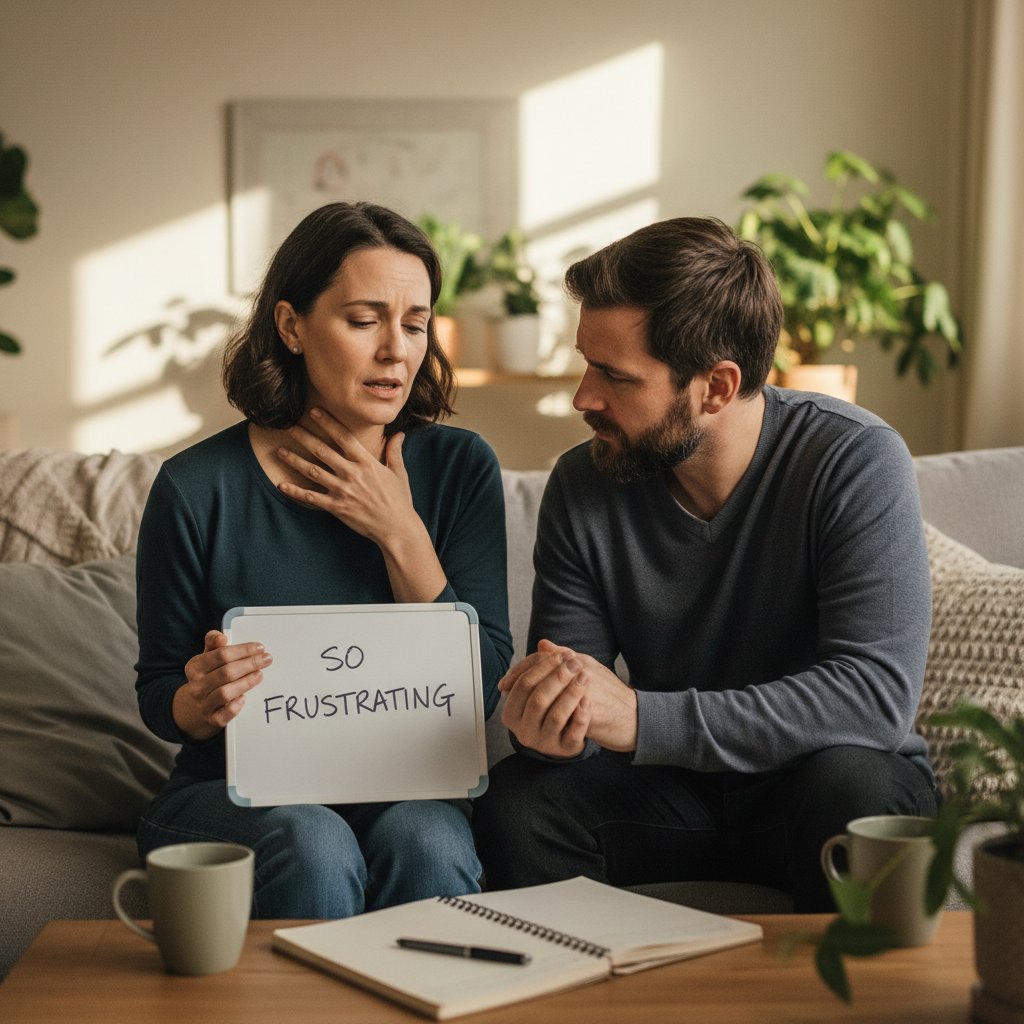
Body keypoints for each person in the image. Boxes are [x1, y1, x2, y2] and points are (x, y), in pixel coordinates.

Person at [472, 216, 937, 911]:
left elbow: (872, 697)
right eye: (585, 362)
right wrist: (550, 725)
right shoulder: (585, 482)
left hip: (819, 780)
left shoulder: (853, 460)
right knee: (518, 803)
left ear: (716, 388)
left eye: (614, 376)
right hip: (668, 793)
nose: (583, 397)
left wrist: (640, 717)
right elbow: (574, 696)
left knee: (860, 793)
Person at [135, 201, 513, 919]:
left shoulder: (460, 468)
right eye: (364, 320)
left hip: (406, 787)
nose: (396, 351)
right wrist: (201, 697)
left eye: (414, 323)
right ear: (292, 326)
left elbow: (485, 687)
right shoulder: (195, 487)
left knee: (430, 840)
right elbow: (160, 694)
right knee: (313, 839)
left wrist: (400, 533)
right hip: (234, 796)